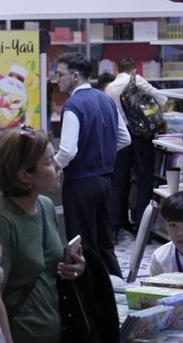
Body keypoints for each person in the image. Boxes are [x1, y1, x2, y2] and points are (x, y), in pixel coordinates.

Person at [0, 127, 85, 343]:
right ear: (24, 175)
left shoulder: (45, 206)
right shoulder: (0, 221)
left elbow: (49, 264)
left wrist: (75, 267)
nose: (57, 165)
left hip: (55, 330)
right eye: (48, 162)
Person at [54, 52, 130, 278]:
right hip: (105, 181)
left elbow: (68, 150)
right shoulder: (105, 98)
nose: (57, 79)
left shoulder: (73, 105)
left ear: (75, 76)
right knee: (104, 244)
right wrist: (102, 152)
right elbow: (125, 139)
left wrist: (53, 167)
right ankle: (118, 289)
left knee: (82, 246)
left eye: (60, 74)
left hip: (80, 184)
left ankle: (89, 298)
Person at [105, 58, 169, 242]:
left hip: (120, 137)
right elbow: (161, 97)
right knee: (144, 181)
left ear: (118, 68)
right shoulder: (136, 80)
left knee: (118, 182)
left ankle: (114, 228)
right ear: (134, 69)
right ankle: (143, 229)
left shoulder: (110, 88)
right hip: (141, 136)